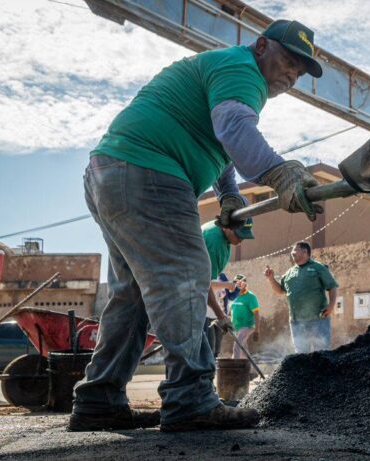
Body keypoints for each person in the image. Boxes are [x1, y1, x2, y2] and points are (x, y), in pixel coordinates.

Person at [70, 19, 326, 432]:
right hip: (149, 172)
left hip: (111, 173)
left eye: (300, 71)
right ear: (261, 46)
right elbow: (233, 129)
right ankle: (190, 399)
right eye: (289, 61)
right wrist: (280, 173)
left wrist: (228, 194)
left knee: (131, 295)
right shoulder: (243, 70)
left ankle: (99, 398)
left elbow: (219, 145)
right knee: (188, 276)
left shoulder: (227, 71)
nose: (292, 74)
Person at [264, 241, 338, 353]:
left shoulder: (318, 268)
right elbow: (280, 290)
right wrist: (271, 279)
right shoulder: (289, 273)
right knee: (301, 357)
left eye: (295, 250)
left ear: (304, 252)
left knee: (322, 354)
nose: (292, 252)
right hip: (297, 322)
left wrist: (331, 306)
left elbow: (332, 286)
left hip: (318, 320)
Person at [201, 218, 254, 357]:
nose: (241, 240)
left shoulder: (221, 237)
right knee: (204, 352)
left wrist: (236, 288)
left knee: (212, 352)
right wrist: (222, 316)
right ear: (227, 227)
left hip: (213, 313)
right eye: (239, 235)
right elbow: (204, 285)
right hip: (200, 310)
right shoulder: (214, 242)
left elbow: (229, 295)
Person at [229, 275, 260, 359]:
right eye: (236, 282)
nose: (238, 284)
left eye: (241, 282)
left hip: (247, 326)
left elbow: (256, 313)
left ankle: (235, 368)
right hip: (236, 327)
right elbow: (230, 312)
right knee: (244, 350)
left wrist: (257, 330)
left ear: (245, 284)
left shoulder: (251, 297)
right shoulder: (233, 297)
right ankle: (250, 369)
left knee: (237, 346)